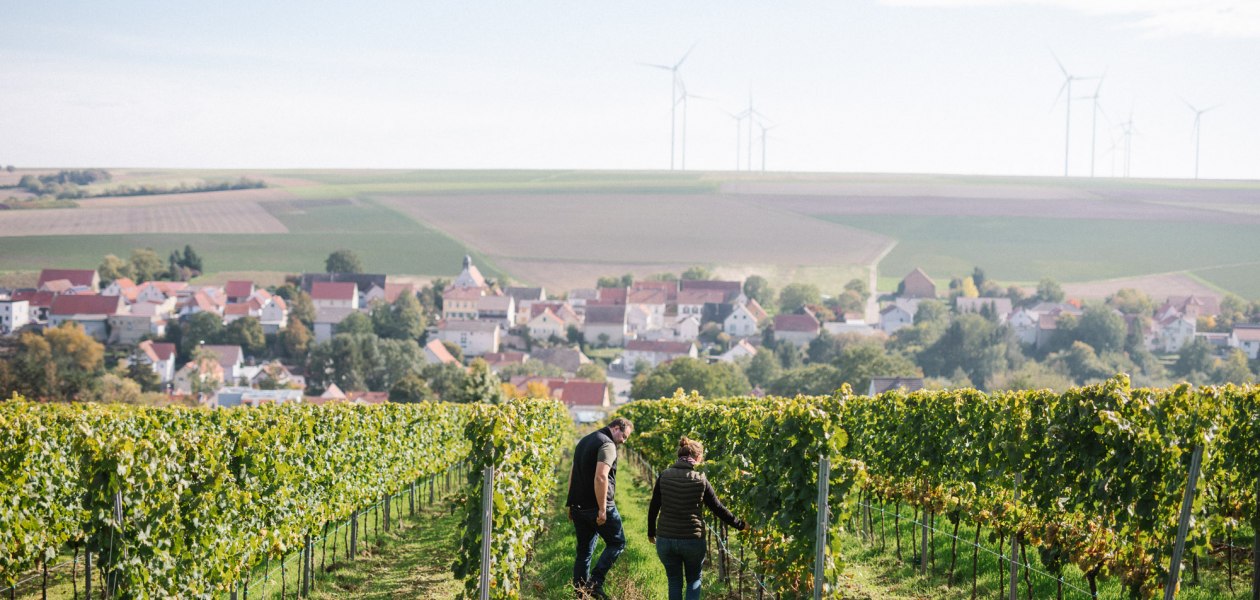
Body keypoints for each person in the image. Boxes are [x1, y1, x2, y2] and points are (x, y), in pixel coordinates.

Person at [648, 436, 748, 600]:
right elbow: (718, 508)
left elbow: (654, 506)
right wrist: (741, 525)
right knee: (694, 580)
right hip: (692, 540)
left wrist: (651, 532)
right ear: (698, 457)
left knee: (674, 582)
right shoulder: (701, 479)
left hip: (666, 539)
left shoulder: (664, 476)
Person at [566, 417, 634, 599]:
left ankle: (580, 593)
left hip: (578, 506)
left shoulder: (584, 441)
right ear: (617, 428)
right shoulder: (607, 444)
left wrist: (570, 502)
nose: (623, 441)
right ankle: (595, 583)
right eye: (624, 436)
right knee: (617, 543)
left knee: (584, 552)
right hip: (596, 507)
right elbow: (601, 477)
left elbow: (573, 473)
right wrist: (603, 508)